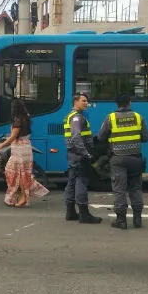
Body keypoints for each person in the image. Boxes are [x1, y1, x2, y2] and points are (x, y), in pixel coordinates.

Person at [97, 94, 148, 229]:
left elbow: (101, 137)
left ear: (117, 104)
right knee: (136, 188)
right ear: (129, 103)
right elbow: (146, 137)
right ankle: (137, 220)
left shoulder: (111, 118)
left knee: (119, 189)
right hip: (135, 158)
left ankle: (121, 220)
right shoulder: (138, 117)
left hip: (118, 158)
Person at [0, 98, 49, 208]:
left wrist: (0, 146)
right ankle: (22, 195)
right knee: (20, 173)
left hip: (20, 149)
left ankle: (23, 197)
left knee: (14, 172)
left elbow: (14, 136)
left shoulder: (17, 119)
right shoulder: (26, 117)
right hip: (25, 146)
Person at [64, 93, 102, 224]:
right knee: (81, 182)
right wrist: (86, 154)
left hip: (73, 154)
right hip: (79, 155)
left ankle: (70, 211)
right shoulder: (76, 118)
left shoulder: (72, 116)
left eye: (87, 101)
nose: (86, 103)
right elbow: (76, 137)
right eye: (83, 101)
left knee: (72, 181)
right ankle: (84, 214)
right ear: (75, 102)